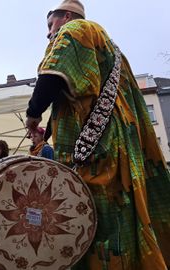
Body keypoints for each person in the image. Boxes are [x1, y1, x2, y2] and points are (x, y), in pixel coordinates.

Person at [25, 1, 170, 269]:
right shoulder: (109, 45)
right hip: (115, 141)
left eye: (50, 24)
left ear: (66, 16)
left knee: (91, 214)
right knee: (119, 211)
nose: (48, 33)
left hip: (95, 146)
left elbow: (52, 77)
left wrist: (33, 114)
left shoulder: (76, 30)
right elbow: (78, 92)